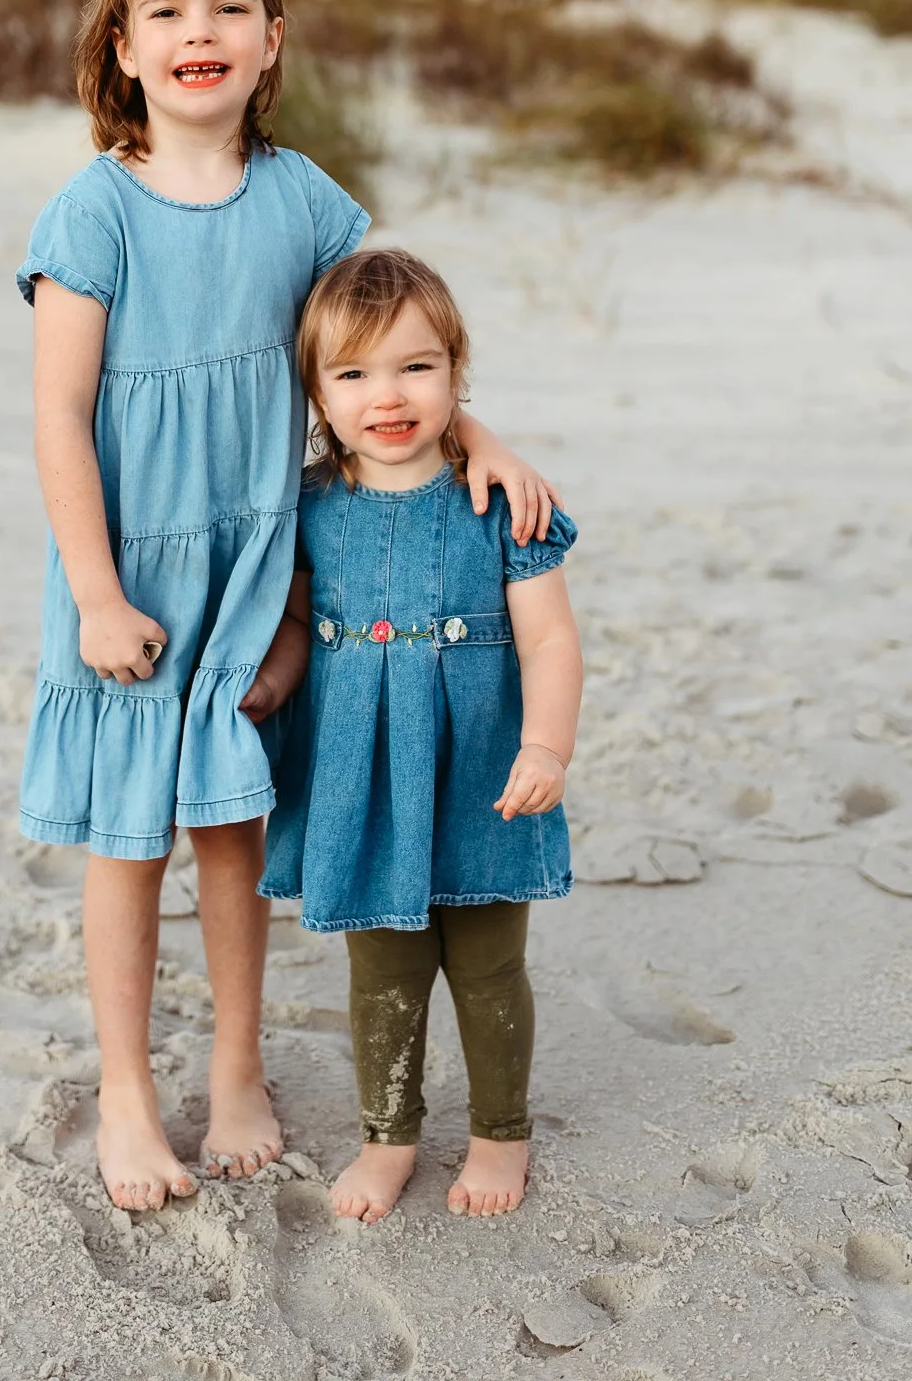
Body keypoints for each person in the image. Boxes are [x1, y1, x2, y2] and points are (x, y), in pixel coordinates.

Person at [16, 0, 562, 1212]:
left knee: (232, 828)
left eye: (227, 7)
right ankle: (129, 1099)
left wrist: (472, 429)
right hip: (136, 574)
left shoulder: (304, 201)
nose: (198, 31)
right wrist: (95, 592)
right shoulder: (94, 212)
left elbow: (380, 343)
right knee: (126, 840)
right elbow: (59, 418)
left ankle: (241, 1065)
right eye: (166, 11)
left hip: (259, 575)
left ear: (271, 39)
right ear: (122, 47)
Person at [261, 247, 582, 1223]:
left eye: (416, 366)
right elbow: (293, 617)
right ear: (317, 390)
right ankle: (389, 1134)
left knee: (488, 966)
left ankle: (499, 1130)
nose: (387, 395)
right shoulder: (312, 503)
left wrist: (547, 747)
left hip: (482, 770)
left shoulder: (502, 500)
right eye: (353, 373)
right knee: (383, 973)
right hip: (360, 775)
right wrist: (272, 681)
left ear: (456, 370)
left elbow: (551, 634)